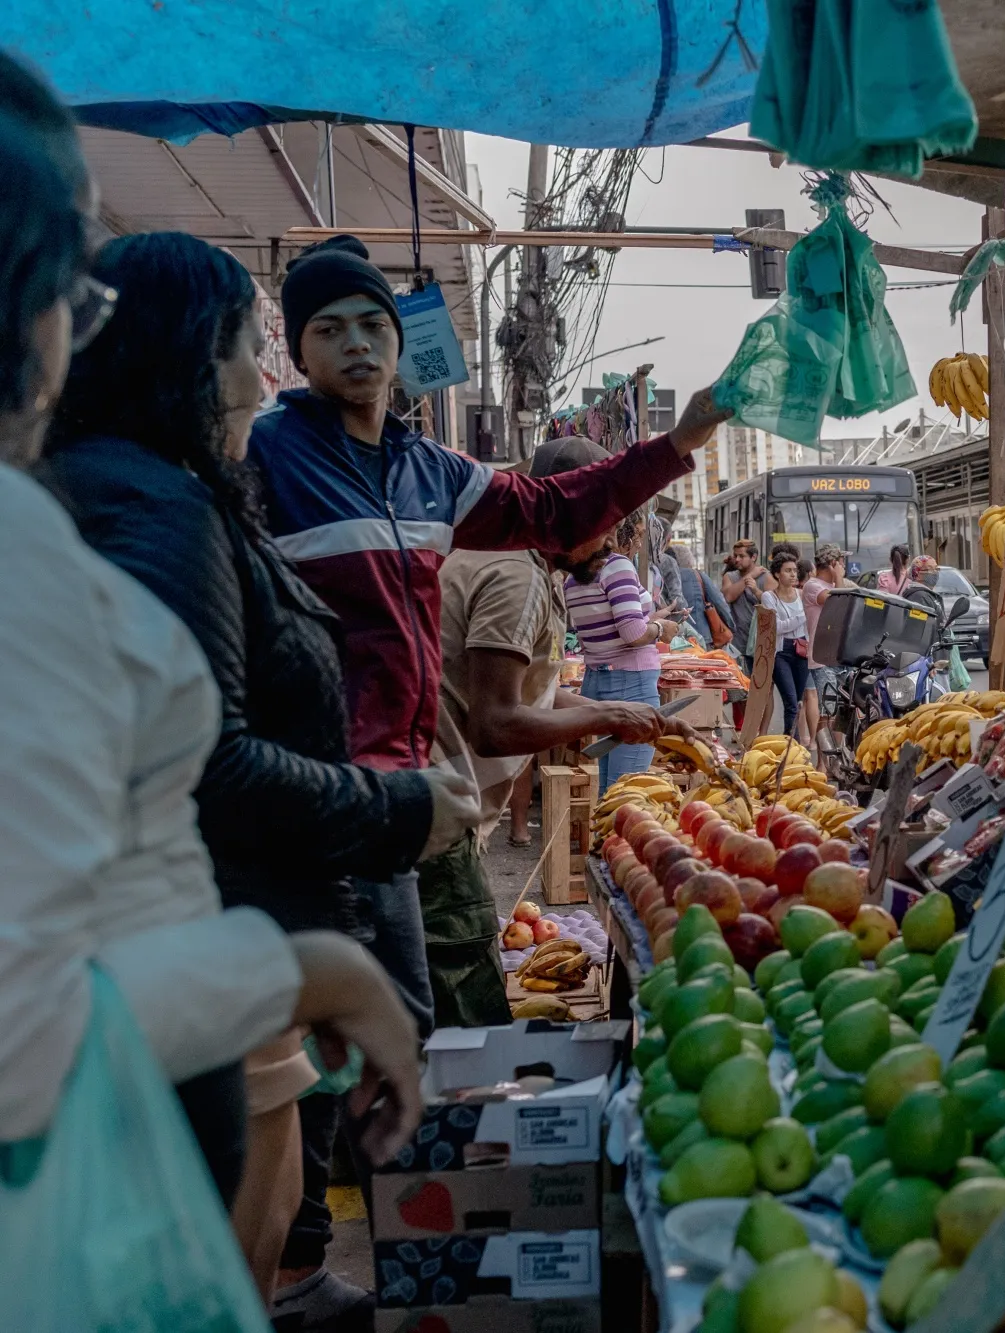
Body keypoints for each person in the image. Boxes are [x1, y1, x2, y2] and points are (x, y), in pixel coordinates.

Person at [0, 50, 422, 1318]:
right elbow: (24, 1036)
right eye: (63, 276)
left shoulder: (74, 508)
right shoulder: (101, 530)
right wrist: (300, 971)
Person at [249, 232, 726, 1321]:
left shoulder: (432, 471)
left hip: (412, 799)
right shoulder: (265, 458)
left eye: (372, 324)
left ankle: (376, 1263)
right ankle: (302, 1267)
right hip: (317, 797)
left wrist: (682, 439)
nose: (357, 345)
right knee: (323, 1036)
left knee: (397, 1032)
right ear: (300, 347)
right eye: (330, 329)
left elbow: (556, 510)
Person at [38, 229, 481, 1303]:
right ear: (187, 355)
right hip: (198, 965)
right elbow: (203, 764)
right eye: (253, 347)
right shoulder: (156, 510)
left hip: (205, 960)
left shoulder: (127, 490)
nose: (260, 380)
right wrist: (394, 810)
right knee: (210, 1267)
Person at [427, 438, 688, 1028]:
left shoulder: (518, 560)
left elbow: (530, 695)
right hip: (436, 814)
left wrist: (616, 714)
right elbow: (496, 724)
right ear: (569, 509)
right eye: (603, 518)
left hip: (438, 803)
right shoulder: (516, 576)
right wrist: (608, 716)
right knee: (469, 1010)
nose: (609, 537)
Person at [561, 510, 679, 793]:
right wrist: (662, 629)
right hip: (630, 684)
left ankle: (602, 838)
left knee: (606, 789)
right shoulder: (617, 567)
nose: (639, 542)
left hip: (597, 681)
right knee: (627, 790)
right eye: (637, 533)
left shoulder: (574, 577)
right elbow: (633, 633)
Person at [762, 552, 811, 738]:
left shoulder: (802, 594)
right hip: (781, 653)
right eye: (788, 571)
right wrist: (803, 615)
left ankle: (790, 743)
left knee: (798, 702)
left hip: (802, 650)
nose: (793, 575)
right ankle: (792, 746)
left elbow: (808, 624)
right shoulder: (769, 597)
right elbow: (776, 628)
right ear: (777, 574)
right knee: (790, 701)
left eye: (795, 570)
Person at [802, 543, 844, 749]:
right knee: (828, 710)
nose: (844, 566)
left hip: (840, 656)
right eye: (841, 561)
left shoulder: (836, 587)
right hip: (822, 658)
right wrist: (839, 579)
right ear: (832, 564)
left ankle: (837, 757)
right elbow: (838, 604)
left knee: (841, 711)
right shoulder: (813, 586)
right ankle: (823, 762)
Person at [671, 541, 730, 650]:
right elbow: (719, 602)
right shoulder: (697, 575)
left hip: (673, 637)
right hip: (700, 636)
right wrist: (730, 626)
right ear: (689, 561)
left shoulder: (664, 575)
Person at [721, 539, 769, 661]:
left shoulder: (766, 577)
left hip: (760, 642)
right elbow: (728, 596)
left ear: (753, 557)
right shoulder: (730, 577)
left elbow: (775, 605)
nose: (737, 559)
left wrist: (757, 591)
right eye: (735, 555)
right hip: (736, 643)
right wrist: (751, 575)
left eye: (742, 556)